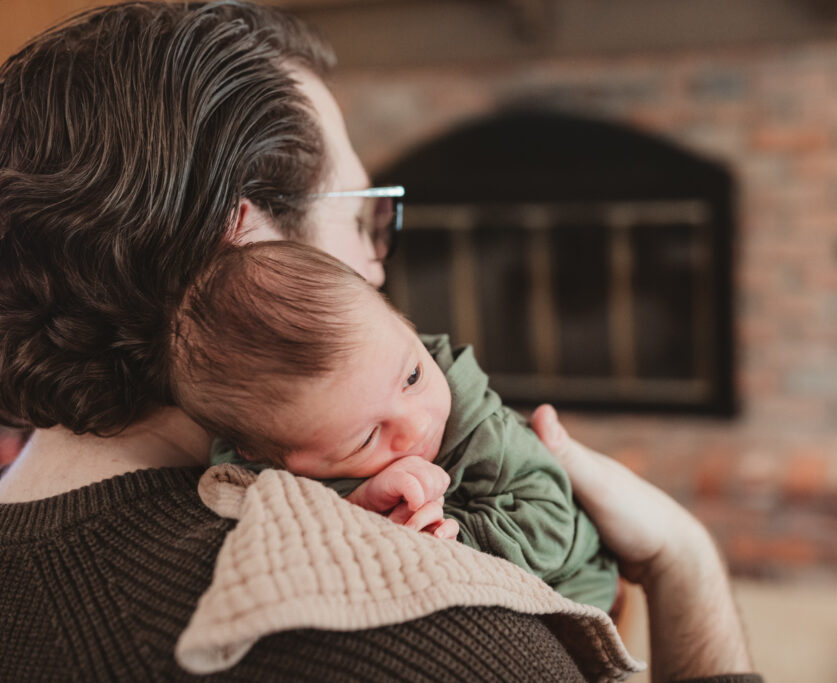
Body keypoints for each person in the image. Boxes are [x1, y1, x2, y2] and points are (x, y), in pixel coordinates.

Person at [0, 2, 760, 681]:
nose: (377, 258)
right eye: (363, 215)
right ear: (242, 238)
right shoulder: (425, 623)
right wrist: (682, 560)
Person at [169, 240, 620, 611]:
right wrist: (357, 509)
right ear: (265, 453)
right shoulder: (256, 479)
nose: (415, 425)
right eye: (367, 437)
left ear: (406, 326)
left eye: (412, 377)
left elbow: (556, 524)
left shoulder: (482, 430)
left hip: (572, 586)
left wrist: (456, 538)